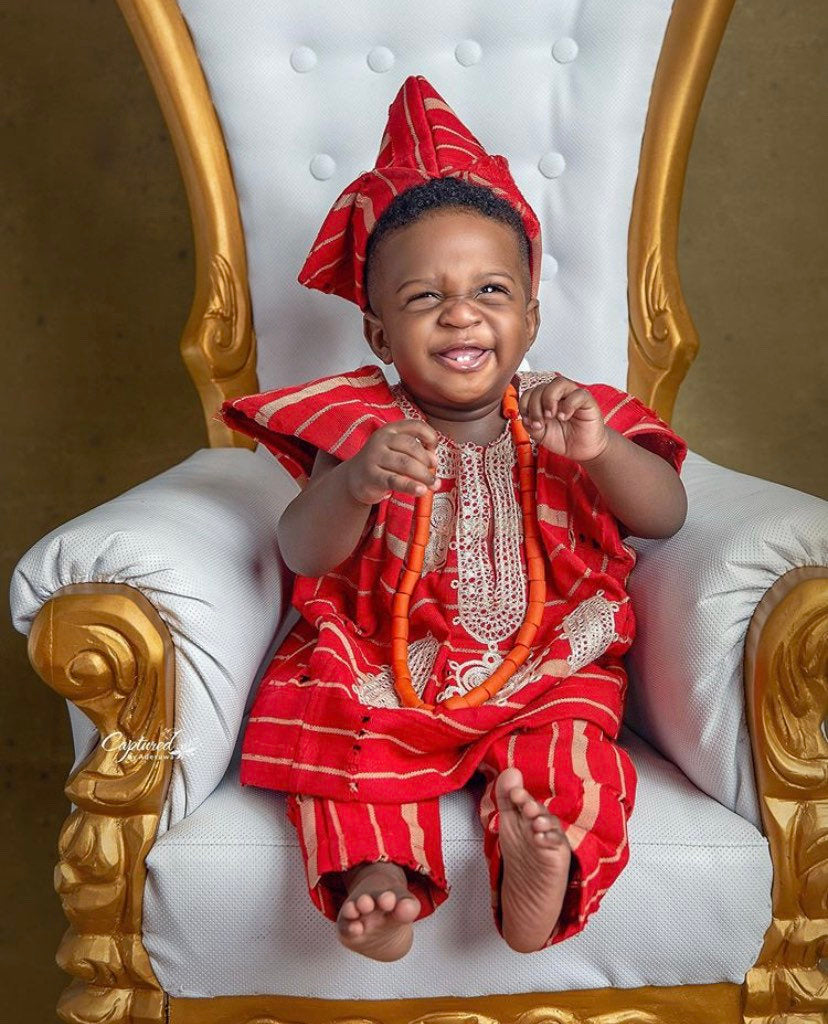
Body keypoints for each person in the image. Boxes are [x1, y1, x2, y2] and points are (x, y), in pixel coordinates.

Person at [216, 75, 688, 963]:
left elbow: (666, 515)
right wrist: (353, 484)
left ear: (533, 315)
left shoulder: (571, 412)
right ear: (379, 335)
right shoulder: (359, 428)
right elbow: (299, 547)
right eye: (425, 298)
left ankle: (542, 864)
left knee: (574, 752)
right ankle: (377, 884)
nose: (462, 311)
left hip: (545, 659)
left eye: (492, 290)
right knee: (345, 744)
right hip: (386, 668)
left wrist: (601, 455)